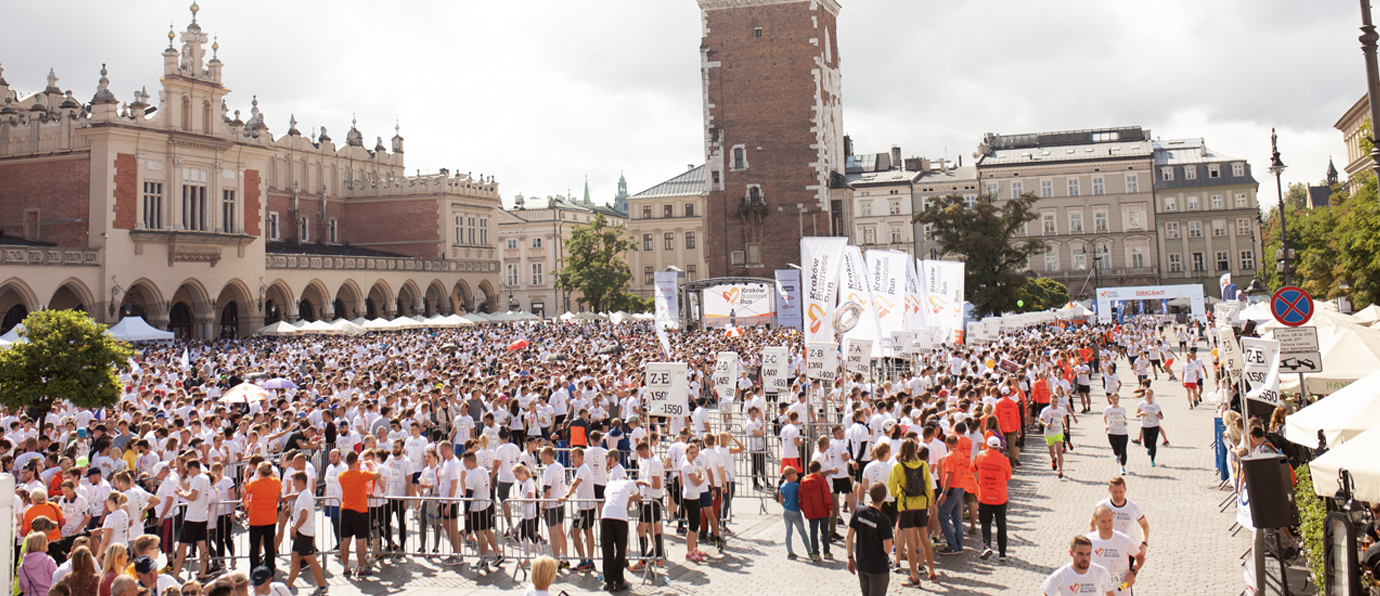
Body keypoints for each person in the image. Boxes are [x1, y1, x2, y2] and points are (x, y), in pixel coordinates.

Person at [887, 438, 935, 586]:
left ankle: (914, 577)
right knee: (924, 539)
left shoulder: (898, 467)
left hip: (906, 506)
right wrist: (925, 501)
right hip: (921, 505)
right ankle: (931, 572)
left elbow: (892, 490)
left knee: (910, 542)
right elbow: (928, 488)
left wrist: (901, 493)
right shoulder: (923, 465)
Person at [338, 449, 383, 577]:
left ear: (346, 461)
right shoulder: (361, 474)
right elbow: (377, 474)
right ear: (357, 461)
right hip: (359, 511)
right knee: (360, 541)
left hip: (346, 510)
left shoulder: (341, 476)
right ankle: (361, 568)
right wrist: (371, 465)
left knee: (345, 542)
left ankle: (346, 568)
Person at [599, 469, 644, 592]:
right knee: (620, 549)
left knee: (607, 549)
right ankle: (619, 580)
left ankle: (608, 581)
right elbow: (639, 497)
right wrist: (627, 497)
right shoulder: (630, 483)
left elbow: (605, 496)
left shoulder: (610, 483)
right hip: (620, 516)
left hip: (606, 515)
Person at [845, 483, 893, 596]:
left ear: (870, 494)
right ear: (884, 497)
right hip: (878, 567)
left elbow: (848, 536)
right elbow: (887, 549)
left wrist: (850, 557)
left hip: (862, 564)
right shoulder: (884, 520)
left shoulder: (858, 511)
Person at [1086, 505, 1146, 595]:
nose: (1107, 525)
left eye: (1109, 521)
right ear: (1095, 521)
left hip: (1120, 590)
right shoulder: (1088, 541)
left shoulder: (1124, 540)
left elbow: (1140, 558)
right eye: (1103, 522)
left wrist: (1133, 572)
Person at [283, 472, 326, 595]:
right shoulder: (304, 494)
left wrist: (295, 528)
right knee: (295, 560)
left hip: (304, 533)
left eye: (294, 482)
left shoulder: (304, 496)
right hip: (301, 533)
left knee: (310, 559)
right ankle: (288, 587)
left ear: (300, 482)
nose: (293, 484)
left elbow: (303, 516)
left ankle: (322, 587)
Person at [172, 459, 212, 581]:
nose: (188, 474)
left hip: (193, 517)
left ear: (192, 468)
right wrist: (184, 493)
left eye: (189, 471)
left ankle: (175, 575)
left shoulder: (196, 479)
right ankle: (203, 574)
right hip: (202, 516)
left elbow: (193, 497)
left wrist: (181, 494)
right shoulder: (206, 478)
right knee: (202, 546)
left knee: (182, 547)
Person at [974, 435, 1012, 561]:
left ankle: (987, 546)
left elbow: (972, 468)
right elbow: (1008, 477)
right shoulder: (1004, 460)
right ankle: (1002, 553)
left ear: (987, 446)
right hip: (1000, 497)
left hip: (985, 496)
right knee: (1001, 524)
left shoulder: (980, 457)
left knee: (985, 522)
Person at [1040, 535, 1115, 596]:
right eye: (1081, 554)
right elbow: (1046, 593)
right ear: (1071, 553)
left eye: (1088, 554)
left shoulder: (1101, 572)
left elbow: (1110, 593)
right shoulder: (1061, 574)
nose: (1085, 558)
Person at [242, 462, 281, 577]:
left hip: (256, 519)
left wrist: (245, 476)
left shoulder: (255, 483)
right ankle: (270, 569)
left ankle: (254, 570)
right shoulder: (276, 482)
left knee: (254, 546)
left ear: (259, 472)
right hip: (270, 518)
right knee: (269, 545)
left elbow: (245, 489)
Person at [1095, 476, 1151, 548]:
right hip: (1108, 548)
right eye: (1115, 492)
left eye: (1120, 492)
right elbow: (1092, 523)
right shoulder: (1102, 506)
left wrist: (1144, 543)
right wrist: (1094, 542)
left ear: (1125, 490)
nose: (1118, 495)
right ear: (1109, 490)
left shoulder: (1134, 507)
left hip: (1128, 548)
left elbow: (1144, 525)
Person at [934, 435, 966, 555]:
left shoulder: (949, 457)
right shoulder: (961, 455)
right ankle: (959, 544)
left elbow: (949, 474)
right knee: (956, 517)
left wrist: (944, 492)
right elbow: (961, 471)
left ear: (946, 443)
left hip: (951, 489)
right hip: (960, 486)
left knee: (942, 516)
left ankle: (952, 545)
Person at [799, 460, 834, 563]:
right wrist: (830, 508)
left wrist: (805, 509)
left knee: (813, 532)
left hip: (811, 511)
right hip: (822, 510)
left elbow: (800, 498)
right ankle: (826, 552)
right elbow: (826, 496)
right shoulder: (822, 481)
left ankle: (815, 553)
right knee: (824, 531)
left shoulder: (803, 481)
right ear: (819, 470)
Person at [776, 466, 807, 560]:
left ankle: (789, 552)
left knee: (788, 532)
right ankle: (810, 551)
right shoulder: (797, 486)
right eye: (796, 474)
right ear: (792, 475)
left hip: (786, 511)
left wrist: (785, 505)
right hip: (795, 511)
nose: (797, 476)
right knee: (802, 532)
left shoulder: (783, 486)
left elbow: (780, 499)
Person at [1039, 397, 1074, 479]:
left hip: (1059, 432)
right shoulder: (1046, 410)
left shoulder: (1061, 409)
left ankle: (1060, 470)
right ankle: (1053, 459)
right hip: (1049, 433)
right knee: (1051, 451)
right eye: (1053, 402)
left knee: (1059, 451)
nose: (1054, 403)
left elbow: (1064, 417)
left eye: (1056, 402)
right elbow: (1040, 420)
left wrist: (1065, 426)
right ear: (1050, 401)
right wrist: (1046, 424)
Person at [1131, 389, 1163, 467]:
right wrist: (1142, 413)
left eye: (1150, 394)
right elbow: (1136, 414)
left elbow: (1161, 417)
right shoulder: (1142, 404)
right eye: (1147, 394)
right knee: (1146, 443)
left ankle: (1152, 460)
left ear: (1152, 395)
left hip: (1154, 426)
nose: (1148, 396)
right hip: (1145, 426)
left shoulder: (1156, 405)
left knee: (1153, 444)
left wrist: (1158, 415)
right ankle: (1148, 448)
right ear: (1144, 395)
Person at [1103, 392, 1130, 475]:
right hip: (1112, 432)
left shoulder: (1122, 408)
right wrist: (1106, 425)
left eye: (1116, 399)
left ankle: (1123, 467)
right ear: (1111, 400)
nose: (1115, 401)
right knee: (1116, 449)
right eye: (1113, 399)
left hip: (1122, 432)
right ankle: (1117, 454)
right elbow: (1104, 418)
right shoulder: (1108, 409)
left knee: (1123, 450)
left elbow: (1124, 417)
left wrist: (1125, 421)